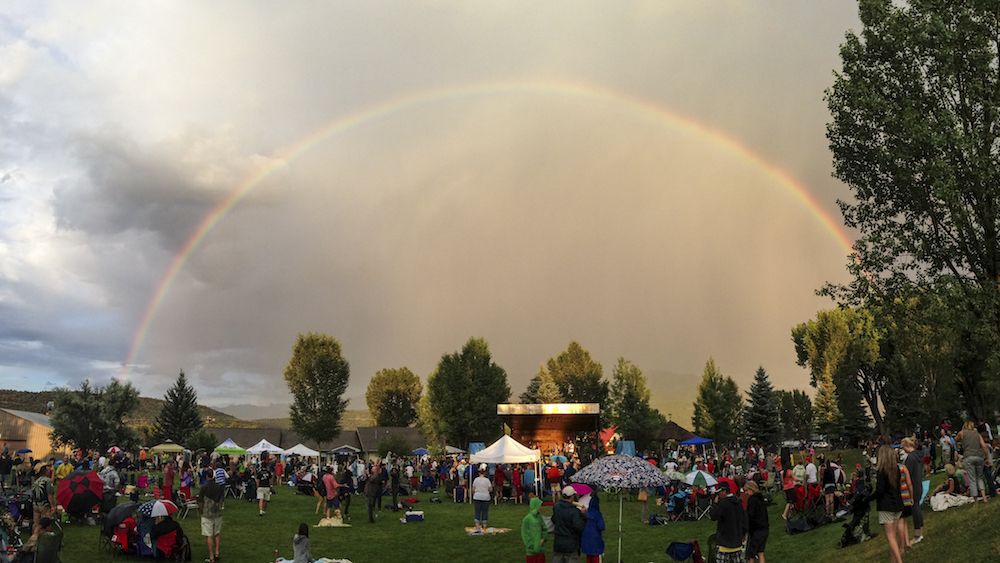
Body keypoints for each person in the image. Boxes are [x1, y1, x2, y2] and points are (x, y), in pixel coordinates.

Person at [874, 445, 905, 563]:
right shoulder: (897, 469)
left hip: (886, 506)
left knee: (890, 537)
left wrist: (868, 498)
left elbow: (880, 491)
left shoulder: (882, 471)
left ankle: (899, 561)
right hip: (897, 504)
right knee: (893, 537)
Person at [709, 481, 747, 563]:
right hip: (737, 541)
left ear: (724, 491)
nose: (718, 495)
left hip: (724, 542)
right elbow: (744, 520)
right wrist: (743, 534)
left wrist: (715, 504)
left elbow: (713, 516)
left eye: (719, 493)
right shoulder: (738, 502)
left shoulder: (723, 503)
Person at [956, 420, 990, 503]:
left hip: (968, 457)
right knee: (980, 478)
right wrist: (986, 458)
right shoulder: (977, 434)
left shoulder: (962, 433)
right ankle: (984, 497)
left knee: (972, 479)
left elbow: (955, 439)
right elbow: (984, 446)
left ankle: (976, 500)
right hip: (979, 456)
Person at [551, 486, 586, 563]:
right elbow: (579, 527)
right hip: (571, 545)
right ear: (572, 496)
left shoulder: (557, 507)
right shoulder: (574, 512)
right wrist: (583, 515)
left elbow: (553, 519)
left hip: (558, 544)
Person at [901, 437, 925, 546]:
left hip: (913, 486)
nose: (903, 450)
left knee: (915, 508)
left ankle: (917, 535)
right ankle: (920, 532)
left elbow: (906, 474)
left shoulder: (910, 458)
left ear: (907, 446)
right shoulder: (918, 456)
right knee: (917, 508)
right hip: (918, 484)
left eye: (903, 447)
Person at [198, 478, 224, 563]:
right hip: (217, 513)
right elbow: (222, 500)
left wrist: (200, 511)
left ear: (207, 477)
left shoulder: (204, 487)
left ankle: (211, 557)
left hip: (207, 513)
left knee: (209, 535)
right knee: (217, 533)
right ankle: (217, 553)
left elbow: (200, 500)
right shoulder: (219, 487)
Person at [745, 480, 769, 563]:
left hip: (756, 530)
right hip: (764, 528)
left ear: (751, 489)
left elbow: (750, 516)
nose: (746, 493)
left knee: (750, 554)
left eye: (746, 490)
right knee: (760, 552)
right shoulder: (761, 498)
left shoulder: (752, 500)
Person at [580, 492, 605, 563]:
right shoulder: (597, 514)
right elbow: (601, 526)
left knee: (589, 558)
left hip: (586, 540)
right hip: (596, 541)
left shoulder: (586, 514)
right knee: (596, 558)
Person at [521, 496, 546, 563]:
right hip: (531, 552)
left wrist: (543, 538)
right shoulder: (527, 519)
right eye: (539, 505)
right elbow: (524, 534)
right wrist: (531, 545)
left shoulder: (539, 517)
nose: (541, 507)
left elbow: (544, 528)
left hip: (540, 550)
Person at [31, 464, 56, 528]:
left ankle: (35, 533)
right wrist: (52, 506)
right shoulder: (48, 481)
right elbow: (49, 494)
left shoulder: (36, 481)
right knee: (45, 524)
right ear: (45, 472)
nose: (49, 471)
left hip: (35, 504)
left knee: (36, 524)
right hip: (44, 505)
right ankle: (45, 534)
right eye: (48, 470)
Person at [472, 468, 493, 532]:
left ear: (479, 473)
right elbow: (490, 489)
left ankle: (477, 525)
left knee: (477, 511)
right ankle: (484, 525)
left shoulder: (476, 479)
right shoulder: (487, 480)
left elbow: (473, 489)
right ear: (485, 473)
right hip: (486, 497)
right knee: (485, 511)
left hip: (477, 496)